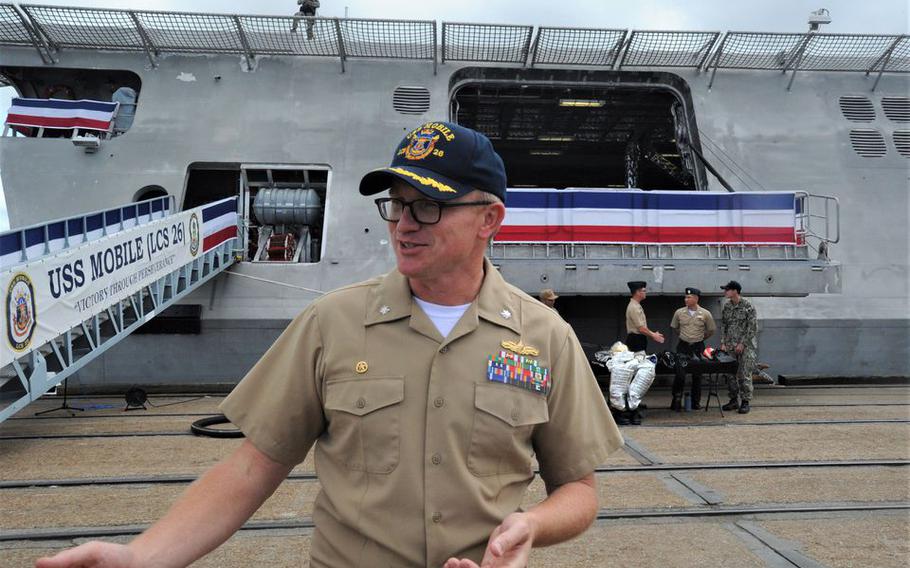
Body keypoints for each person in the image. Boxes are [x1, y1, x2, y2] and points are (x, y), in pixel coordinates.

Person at [35, 121, 623, 568]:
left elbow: (577, 488)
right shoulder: (331, 323)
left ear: (489, 219)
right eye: (396, 204)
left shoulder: (545, 337)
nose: (404, 223)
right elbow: (251, 467)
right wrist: (142, 557)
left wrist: (530, 525)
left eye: (429, 205)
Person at [669, 287, 716, 411]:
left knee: (697, 375)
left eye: (689, 297)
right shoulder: (679, 312)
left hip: (698, 347)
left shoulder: (705, 313)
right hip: (683, 346)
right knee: (680, 374)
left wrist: (700, 337)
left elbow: (711, 330)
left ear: (696, 298)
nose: (686, 299)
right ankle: (676, 399)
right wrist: (683, 336)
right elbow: (675, 327)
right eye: (685, 297)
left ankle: (696, 402)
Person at [719, 280, 758, 414]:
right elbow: (724, 325)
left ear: (735, 291)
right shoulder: (727, 306)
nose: (725, 292)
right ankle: (733, 400)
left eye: (727, 289)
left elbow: (752, 328)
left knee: (744, 374)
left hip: (746, 347)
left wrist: (743, 343)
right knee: (730, 374)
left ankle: (745, 402)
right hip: (730, 346)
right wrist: (723, 342)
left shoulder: (748, 306)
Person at [625, 280, 664, 353]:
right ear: (638, 292)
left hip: (638, 338)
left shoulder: (636, 305)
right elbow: (641, 328)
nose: (645, 293)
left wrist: (653, 334)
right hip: (636, 339)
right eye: (644, 291)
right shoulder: (634, 307)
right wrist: (654, 335)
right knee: (638, 361)